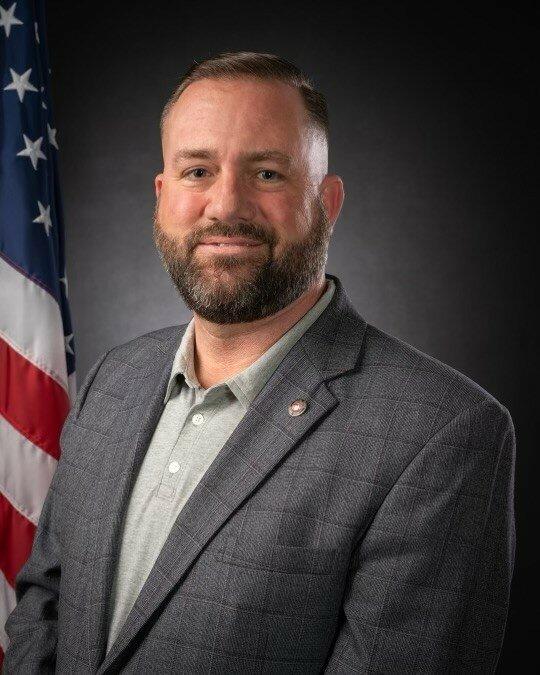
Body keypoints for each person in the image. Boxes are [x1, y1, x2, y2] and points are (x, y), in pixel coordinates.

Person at [4, 51, 516, 674]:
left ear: (327, 201)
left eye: (268, 173)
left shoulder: (441, 433)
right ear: (163, 196)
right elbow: (45, 601)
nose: (226, 205)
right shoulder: (115, 378)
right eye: (197, 171)